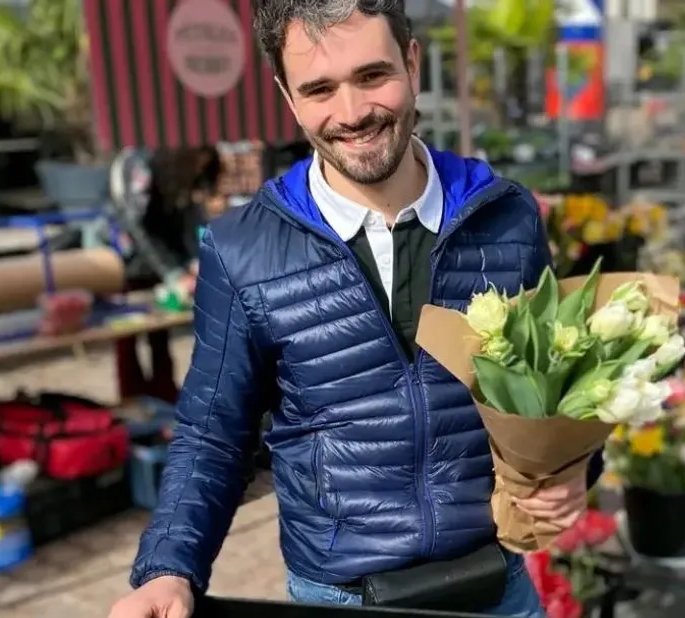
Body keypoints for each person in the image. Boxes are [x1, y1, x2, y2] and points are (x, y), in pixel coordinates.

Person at [107, 2, 599, 617]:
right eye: (319, 89)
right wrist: (169, 567)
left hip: (497, 588)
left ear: (413, 63)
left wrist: (578, 467)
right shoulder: (243, 251)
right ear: (288, 97)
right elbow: (213, 433)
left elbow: (555, 384)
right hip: (341, 597)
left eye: (372, 76)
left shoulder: (504, 217)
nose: (352, 113)